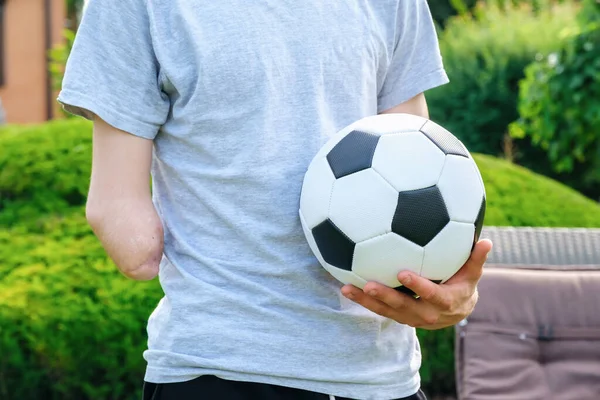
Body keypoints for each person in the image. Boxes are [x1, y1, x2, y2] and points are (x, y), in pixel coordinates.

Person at [58, 1, 492, 399]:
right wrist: (436, 282)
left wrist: (450, 298)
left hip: (233, 371)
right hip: (335, 376)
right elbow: (417, 164)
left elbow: (122, 226)